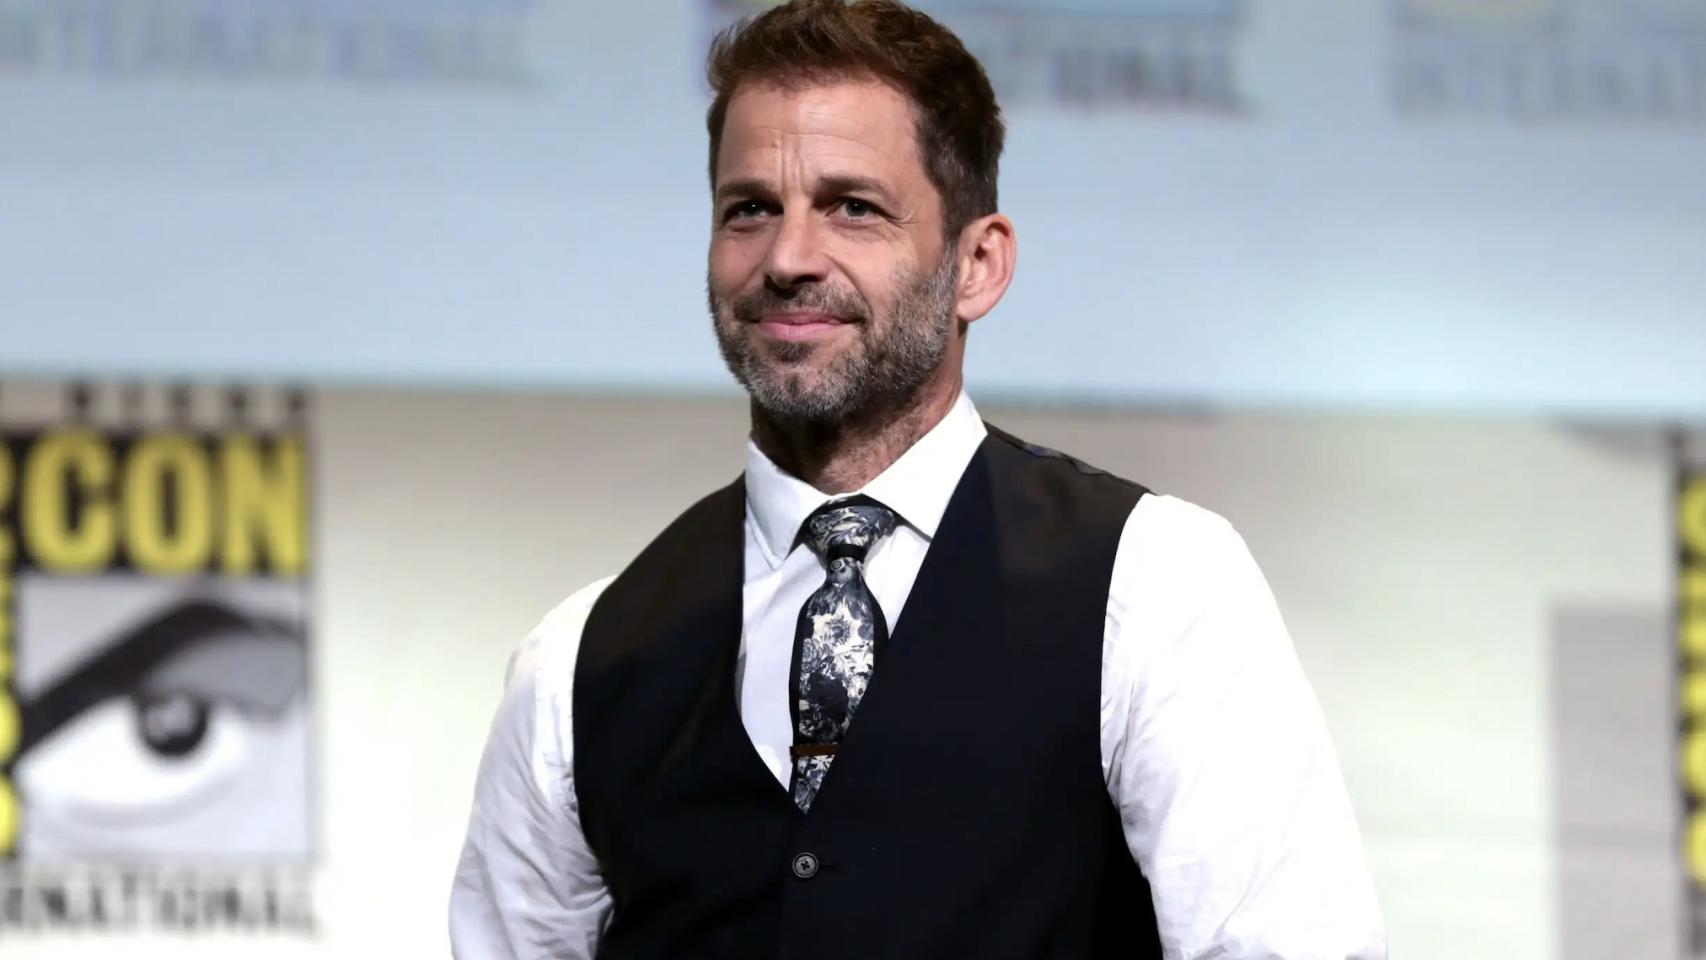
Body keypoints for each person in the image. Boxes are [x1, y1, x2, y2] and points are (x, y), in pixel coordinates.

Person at [449, 2, 1387, 957]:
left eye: (853, 207)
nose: (788, 259)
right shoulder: (577, 665)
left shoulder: (1155, 588)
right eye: (750, 210)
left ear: (977, 264)